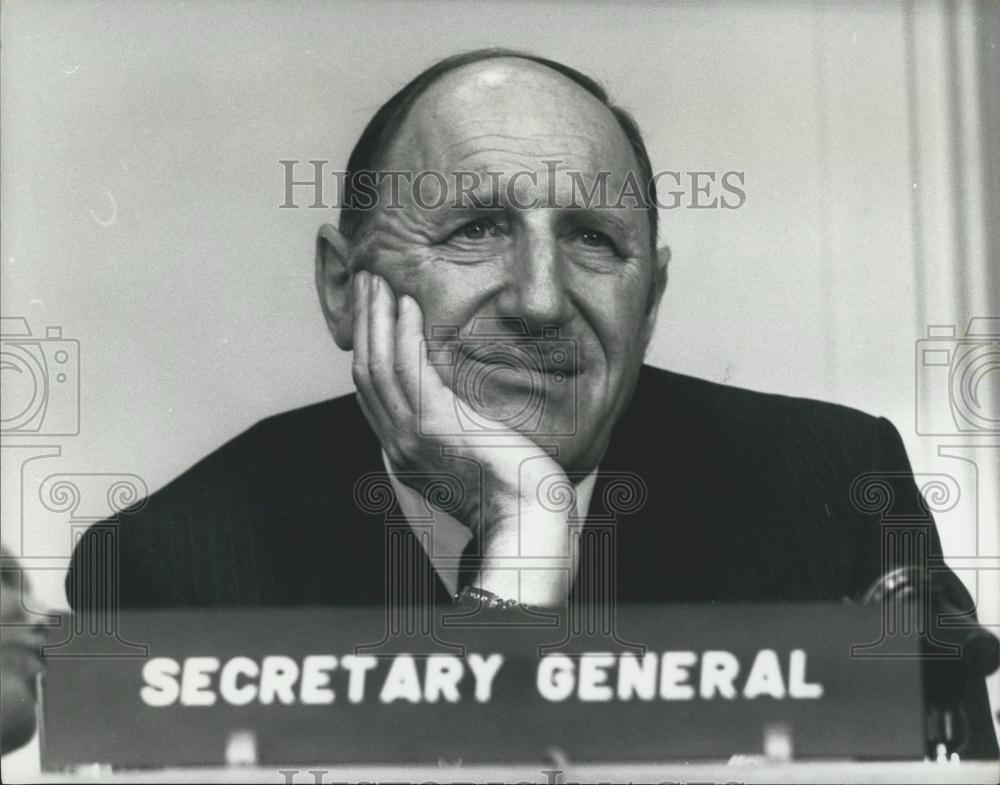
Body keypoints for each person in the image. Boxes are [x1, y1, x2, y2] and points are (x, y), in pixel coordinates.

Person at [59, 49, 995, 755]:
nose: (541, 299)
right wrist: (522, 539)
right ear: (344, 289)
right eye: (475, 229)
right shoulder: (170, 571)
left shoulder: (830, 485)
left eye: (592, 238)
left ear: (653, 297)